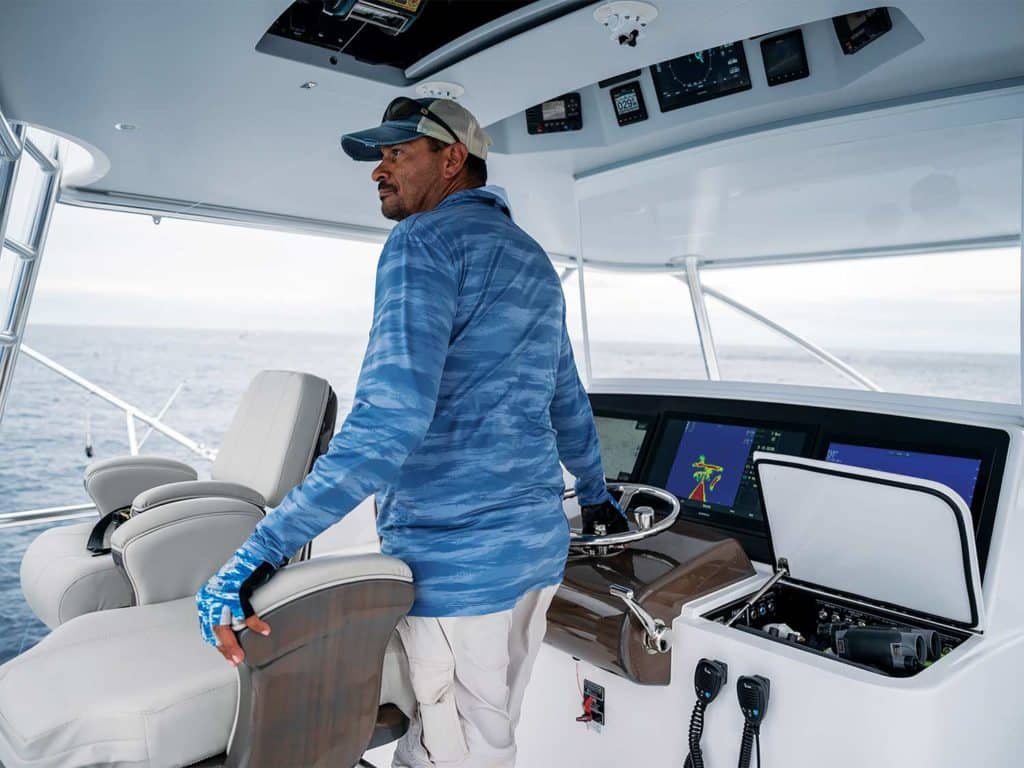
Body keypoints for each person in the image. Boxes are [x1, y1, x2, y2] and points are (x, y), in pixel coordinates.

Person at [195, 97, 628, 767]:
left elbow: (387, 426)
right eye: (379, 157)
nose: (379, 170)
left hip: (458, 570)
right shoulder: (534, 262)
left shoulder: (422, 243)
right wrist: (597, 495)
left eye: (397, 154)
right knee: (483, 733)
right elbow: (566, 400)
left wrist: (261, 551)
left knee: (456, 749)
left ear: (451, 158)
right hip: (536, 556)